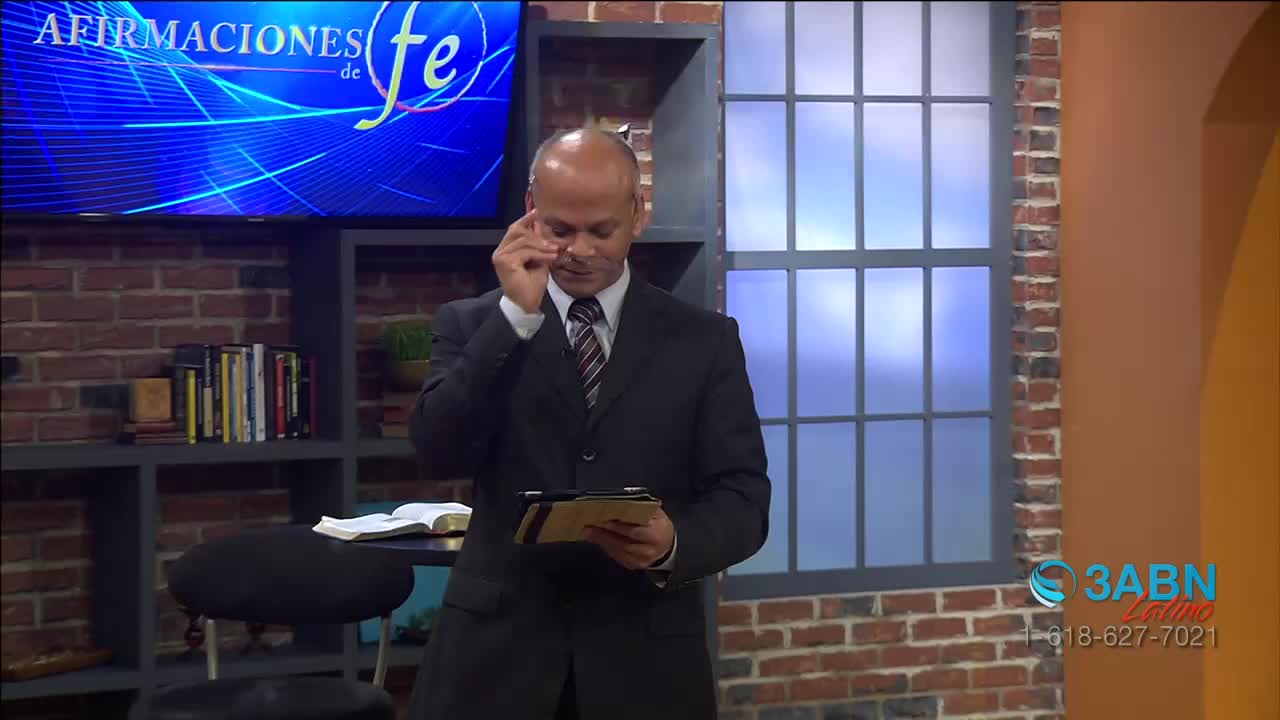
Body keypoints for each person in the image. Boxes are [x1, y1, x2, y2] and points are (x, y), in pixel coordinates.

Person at [406, 127, 770, 720]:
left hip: (646, 662)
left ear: (638, 213)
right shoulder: (473, 326)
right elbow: (437, 452)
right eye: (559, 228)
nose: (580, 249)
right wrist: (515, 319)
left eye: (601, 231)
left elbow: (744, 497)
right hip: (494, 661)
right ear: (530, 212)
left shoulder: (704, 340)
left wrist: (674, 542)